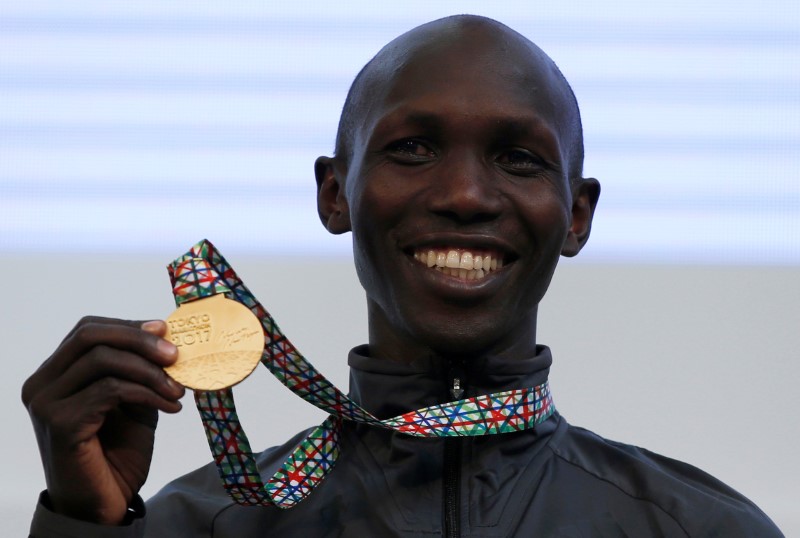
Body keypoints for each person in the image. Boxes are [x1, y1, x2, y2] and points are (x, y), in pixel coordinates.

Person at [23, 15, 782, 537]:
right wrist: (84, 525)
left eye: (519, 158)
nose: (465, 195)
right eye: (414, 148)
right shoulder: (198, 523)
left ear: (577, 215)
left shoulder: (703, 528)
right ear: (334, 193)